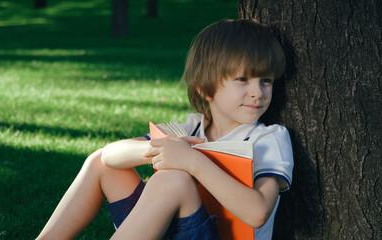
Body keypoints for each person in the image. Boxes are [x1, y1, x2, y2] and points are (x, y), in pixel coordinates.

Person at [36, 19, 293, 240]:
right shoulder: (191, 127)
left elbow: (258, 213)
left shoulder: (268, 138)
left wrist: (193, 162)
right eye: (243, 79)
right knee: (100, 163)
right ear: (205, 88)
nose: (257, 92)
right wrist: (157, 149)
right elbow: (108, 156)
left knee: (173, 179)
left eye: (266, 81)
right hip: (171, 228)